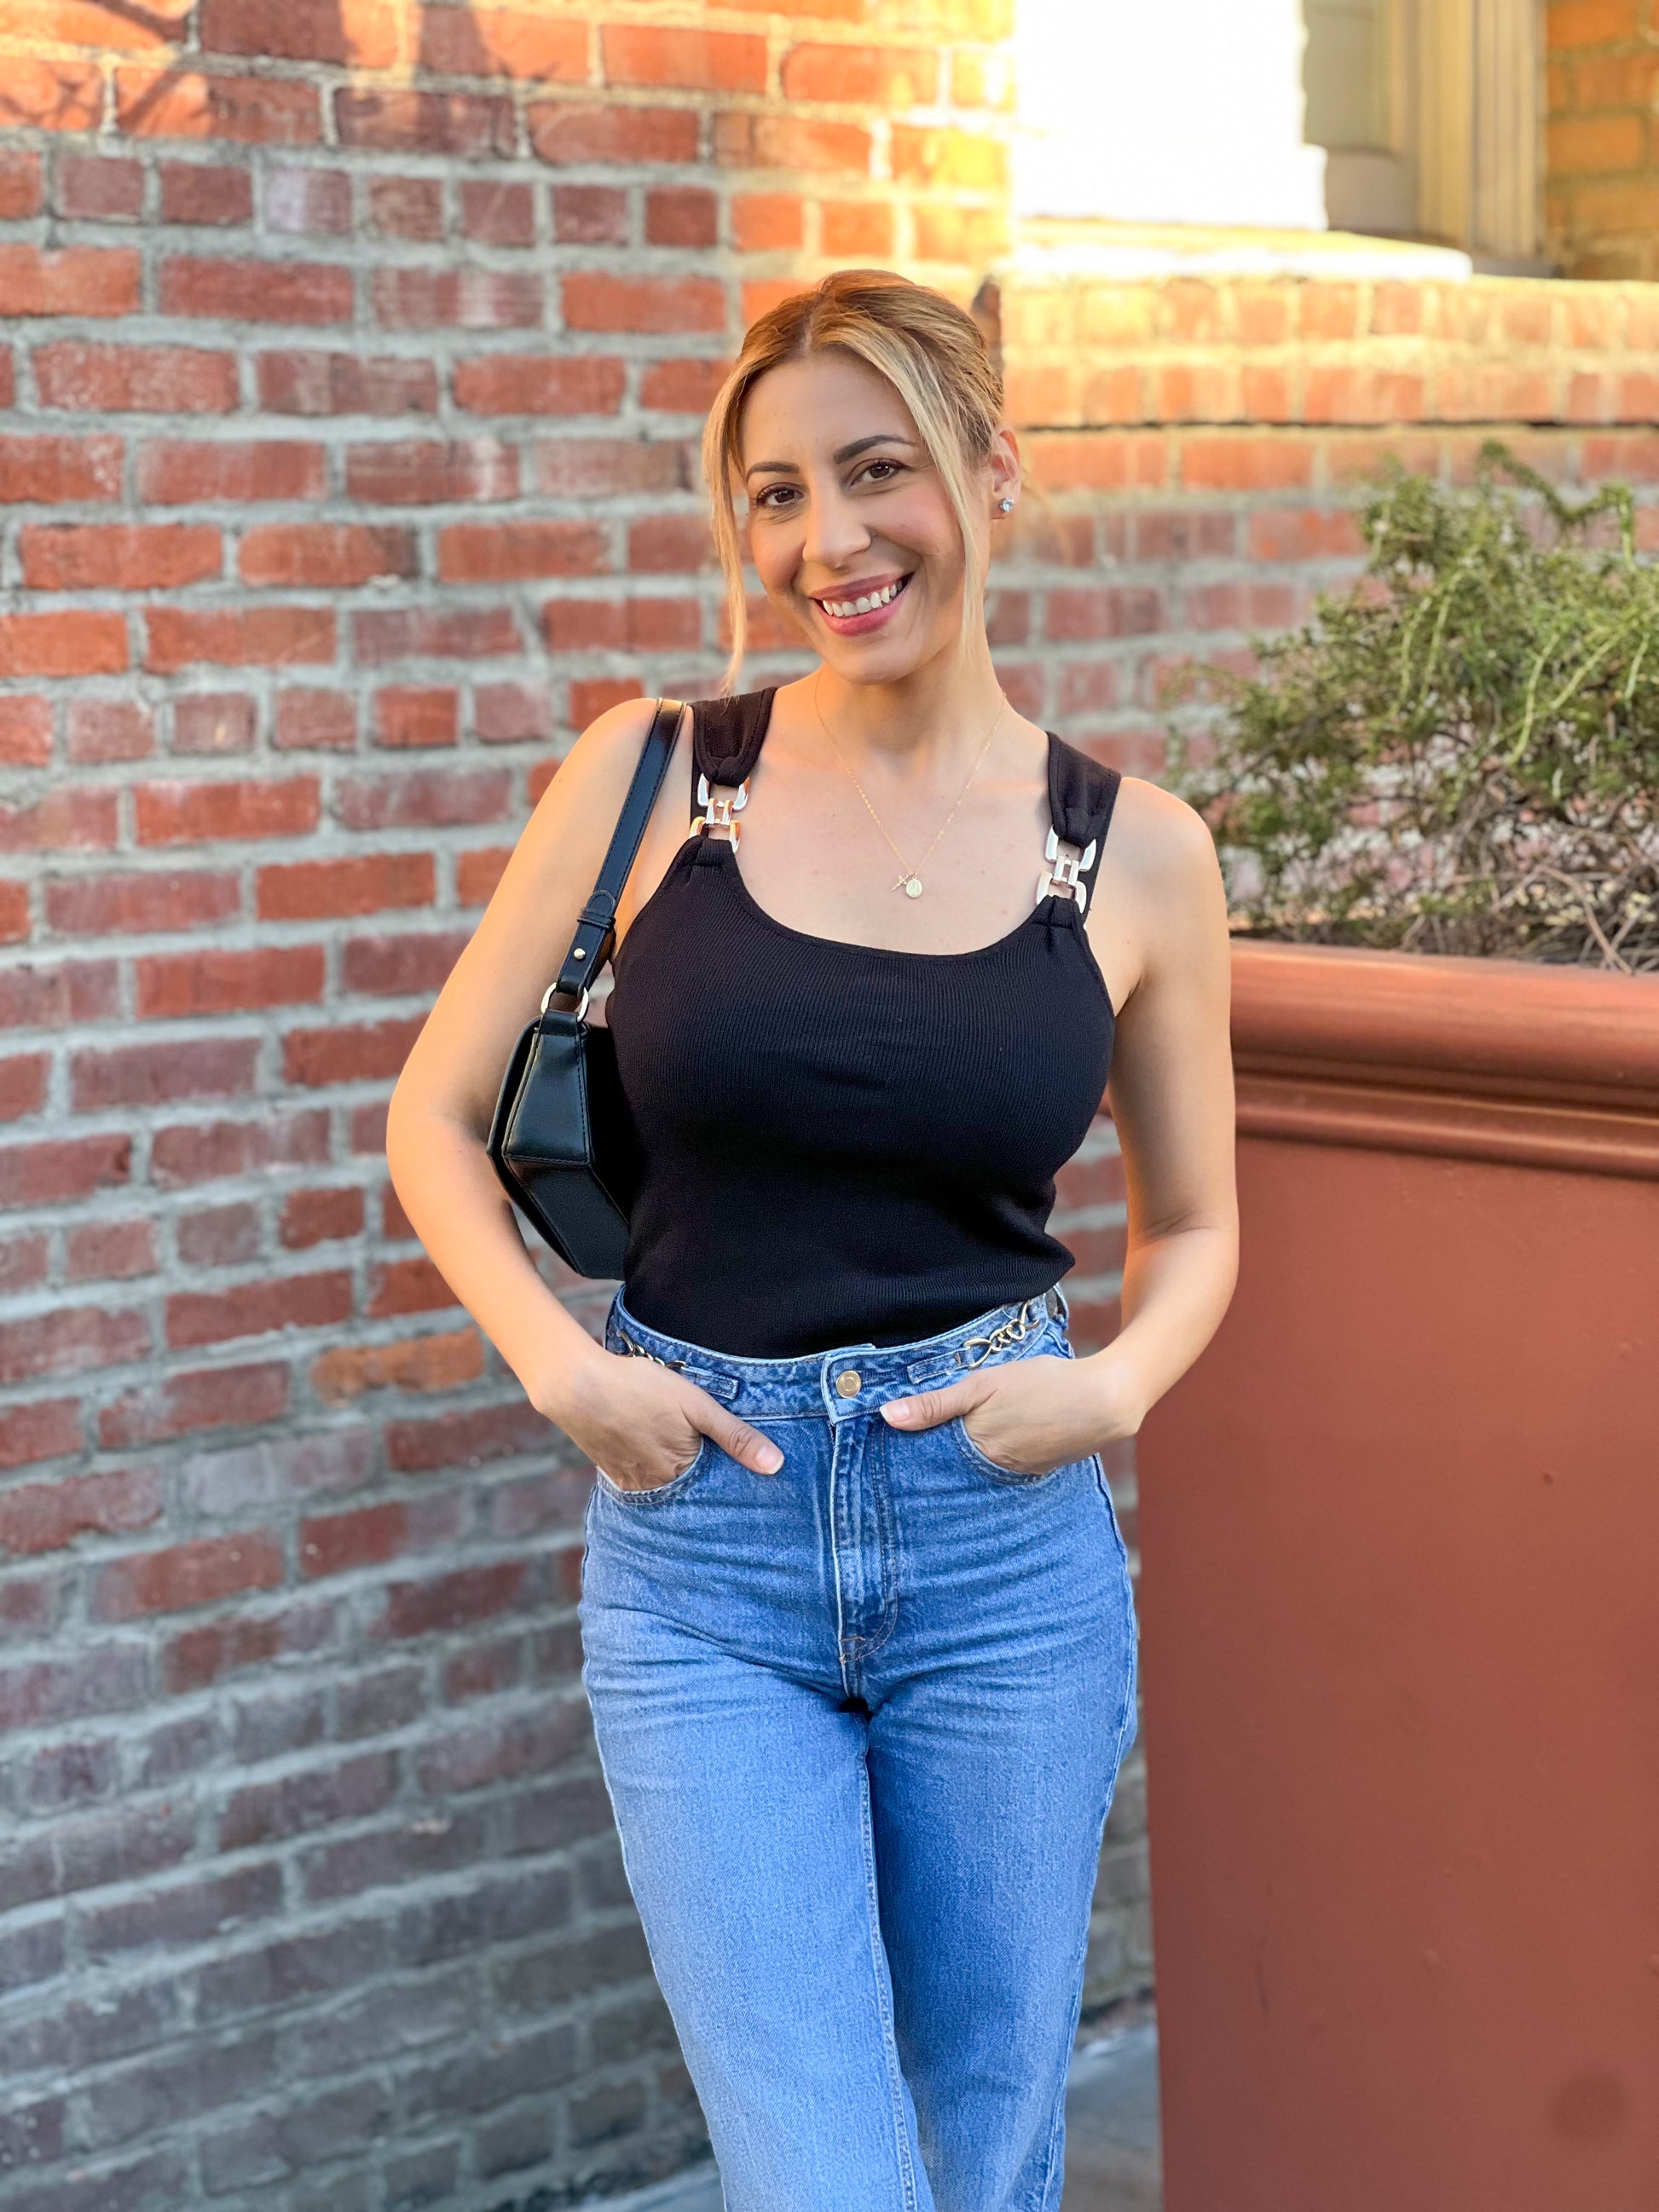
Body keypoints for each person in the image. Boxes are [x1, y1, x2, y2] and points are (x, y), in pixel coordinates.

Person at [387, 267, 1238, 2212]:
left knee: (985, 2149)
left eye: (876, 472)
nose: (824, 541)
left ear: (993, 470)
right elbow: (431, 1116)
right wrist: (564, 1366)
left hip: (1003, 1548)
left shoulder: (1135, 854)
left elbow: (1192, 1220)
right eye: (773, 493)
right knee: (824, 2178)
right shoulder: (653, 775)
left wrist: (1104, 1384)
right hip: (703, 1548)